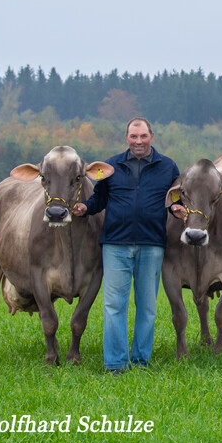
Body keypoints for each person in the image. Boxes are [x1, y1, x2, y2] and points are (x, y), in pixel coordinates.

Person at [73, 117, 181, 374]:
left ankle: (141, 361)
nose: (139, 141)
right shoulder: (111, 166)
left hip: (152, 244)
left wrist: (178, 209)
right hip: (115, 245)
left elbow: (175, 199)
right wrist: (86, 207)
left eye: (143, 136)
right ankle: (116, 364)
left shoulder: (168, 167)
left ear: (152, 136)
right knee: (113, 305)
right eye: (134, 137)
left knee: (147, 307)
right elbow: (100, 199)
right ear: (127, 138)